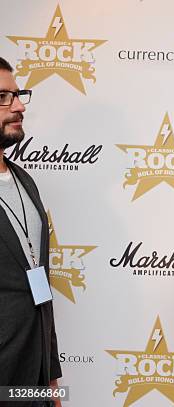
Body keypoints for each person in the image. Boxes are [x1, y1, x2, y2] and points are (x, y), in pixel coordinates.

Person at [0, 57, 62, 407]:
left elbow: (40, 289)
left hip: (31, 382)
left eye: (18, 94)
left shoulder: (26, 182)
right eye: (3, 97)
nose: (19, 106)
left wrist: (50, 383)